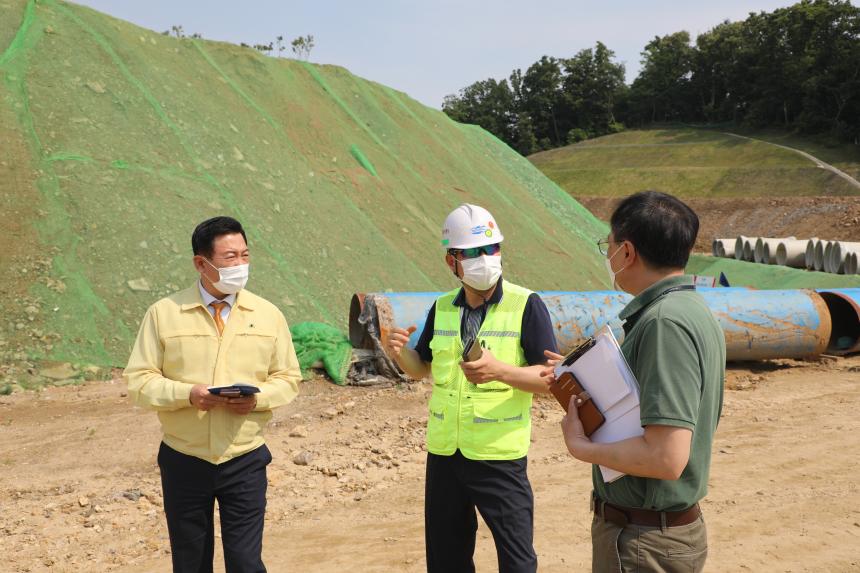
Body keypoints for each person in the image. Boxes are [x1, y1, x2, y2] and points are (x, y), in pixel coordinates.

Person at [549, 191, 725, 573]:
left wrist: (582, 447)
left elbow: (666, 457)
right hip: (652, 535)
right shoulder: (690, 310)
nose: (608, 255)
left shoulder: (664, 323)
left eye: (608, 245)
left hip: (643, 543)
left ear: (626, 252)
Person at [385, 203, 559, 573]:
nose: (485, 258)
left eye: (491, 248)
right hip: (446, 454)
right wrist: (399, 354)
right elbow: (422, 368)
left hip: (498, 455)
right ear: (451, 262)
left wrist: (500, 371)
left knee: (517, 560)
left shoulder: (526, 305)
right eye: (473, 252)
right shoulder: (442, 307)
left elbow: (550, 378)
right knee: (446, 558)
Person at [124, 216, 301, 573]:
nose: (240, 265)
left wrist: (257, 399)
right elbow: (139, 381)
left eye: (245, 255)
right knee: (190, 564)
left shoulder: (268, 314)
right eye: (229, 257)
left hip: (244, 457)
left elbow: (288, 378)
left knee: (246, 563)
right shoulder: (164, 314)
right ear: (201, 263)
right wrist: (187, 394)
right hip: (184, 458)